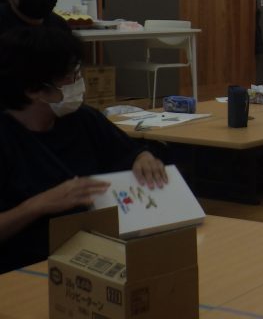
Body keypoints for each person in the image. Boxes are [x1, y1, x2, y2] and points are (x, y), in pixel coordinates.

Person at [0, 27, 167, 273]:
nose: (78, 82)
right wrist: (38, 205)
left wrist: (144, 157)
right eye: (70, 76)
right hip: (26, 268)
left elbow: (128, 151)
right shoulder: (7, 138)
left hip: (93, 255)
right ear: (34, 90)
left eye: (78, 72)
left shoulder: (82, 119)